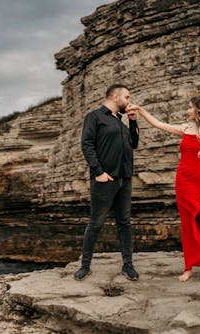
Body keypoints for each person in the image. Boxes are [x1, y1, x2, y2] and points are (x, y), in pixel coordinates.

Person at [128, 96, 200, 281]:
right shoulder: (185, 129)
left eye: (189, 108)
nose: (186, 111)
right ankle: (188, 268)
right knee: (188, 225)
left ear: (199, 110)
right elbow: (158, 124)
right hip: (183, 181)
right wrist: (140, 110)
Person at [74, 84, 140, 281]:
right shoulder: (95, 116)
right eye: (126, 97)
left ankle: (128, 265)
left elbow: (134, 144)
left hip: (125, 178)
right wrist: (98, 171)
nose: (128, 101)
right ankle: (85, 266)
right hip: (105, 179)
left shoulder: (120, 121)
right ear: (115, 96)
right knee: (95, 223)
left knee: (125, 223)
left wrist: (133, 122)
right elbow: (87, 144)